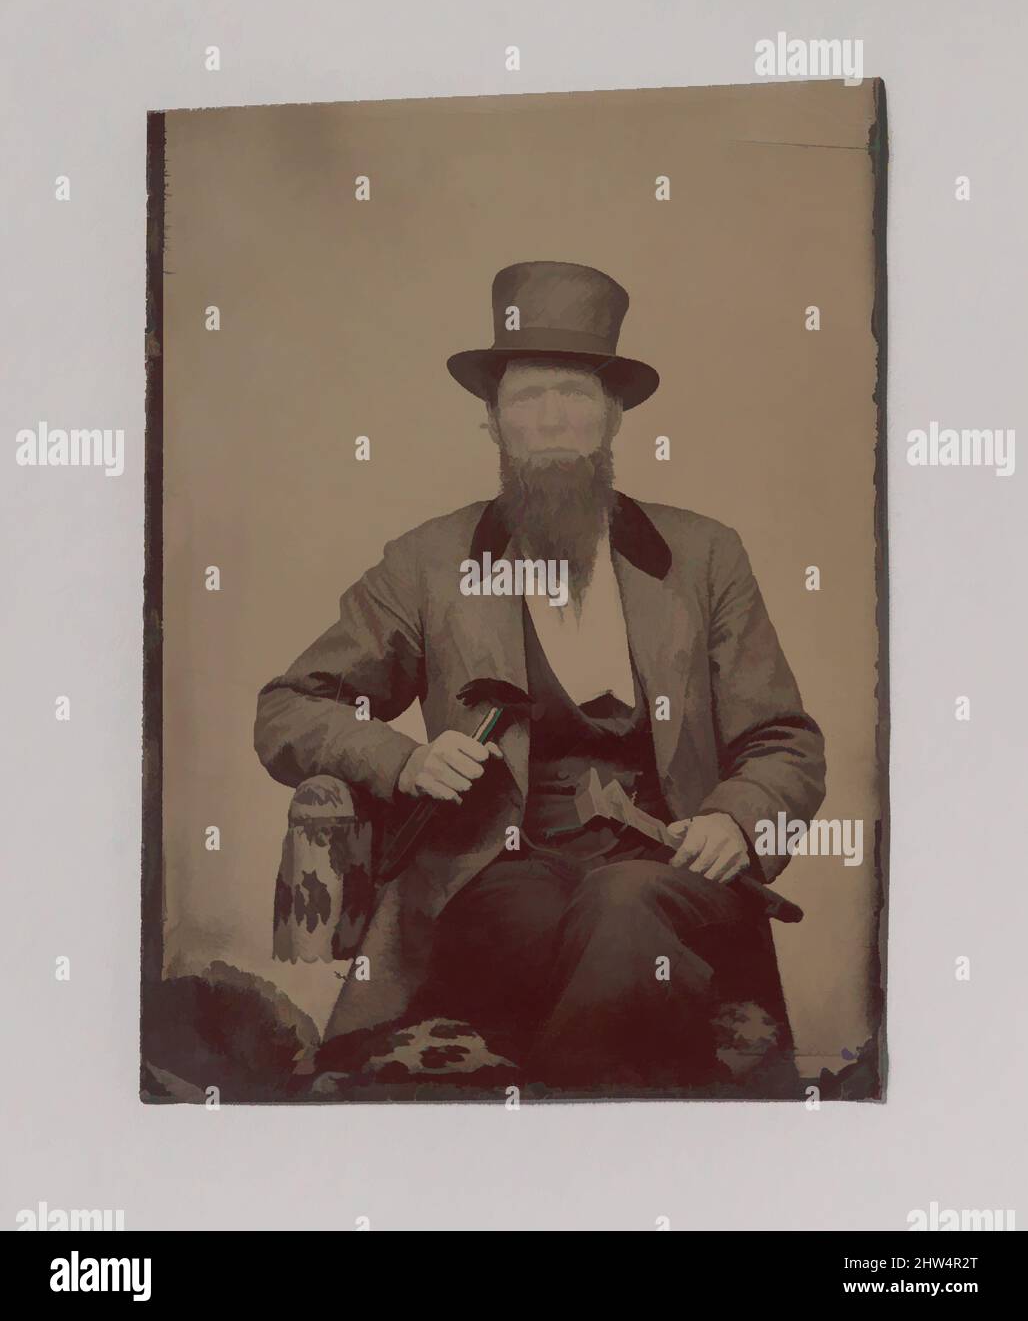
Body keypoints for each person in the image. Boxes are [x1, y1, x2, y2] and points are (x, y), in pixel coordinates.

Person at [254, 260, 826, 1092]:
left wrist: (740, 819)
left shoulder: (705, 556)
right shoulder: (429, 563)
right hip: (501, 874)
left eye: (576, 394)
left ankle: (550, 1141)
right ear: (492, 421)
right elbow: (287, 710)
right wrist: (402, 760)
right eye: (527, 399)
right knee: (563, 926)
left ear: (615, 415)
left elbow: (785, 743)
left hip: (668, 870)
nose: (552, 419)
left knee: (623, 907)